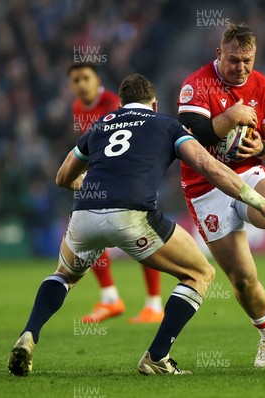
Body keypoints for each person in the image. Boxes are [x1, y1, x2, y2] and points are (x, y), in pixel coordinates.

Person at [7, 73, 265, 376]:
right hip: (132, 215)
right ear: (154, 104)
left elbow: (63, 177)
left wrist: (91, 188)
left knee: (64, 274)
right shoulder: (167, 124)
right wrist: (262, 204)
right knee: (200, 273)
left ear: (120, 103)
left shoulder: (101, 124)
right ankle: (157, 356)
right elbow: (210, 167)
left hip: (85, 214)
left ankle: (29, 334)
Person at [177, 23, 265, 367]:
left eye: (247, 60)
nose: (240, 67)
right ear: (219, 54)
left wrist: (264, 145)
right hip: (205, 187)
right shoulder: (195, 85)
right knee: (242, 280)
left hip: (248, 173)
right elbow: (191, 133)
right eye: (233, 60)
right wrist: (230, 117)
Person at [68, 64, 164, 324]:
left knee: (143, 235)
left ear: (97, 80)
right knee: (92, 239)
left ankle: (154, 304)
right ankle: (110, 298)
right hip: (100, 181)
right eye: (75, 80)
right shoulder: (78, 108)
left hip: (129, 180)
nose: (81, 84)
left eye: (85, 78)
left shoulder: (113, 104)